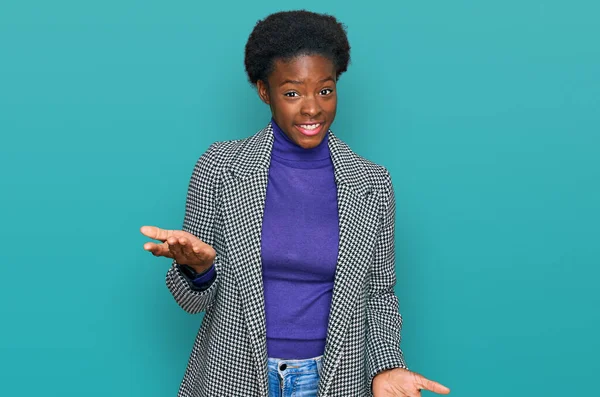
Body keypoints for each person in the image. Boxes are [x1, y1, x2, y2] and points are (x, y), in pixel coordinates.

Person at [141, 10, 451, 397]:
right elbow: (189, 302)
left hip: (335, 380)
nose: (312, 108)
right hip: (231, 375)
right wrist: (200, 270)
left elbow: (379, 294)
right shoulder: (219, 168)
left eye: (325, 90)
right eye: (292, 93)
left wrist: (387, 366)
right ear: (264, 91)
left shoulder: (373, 184)